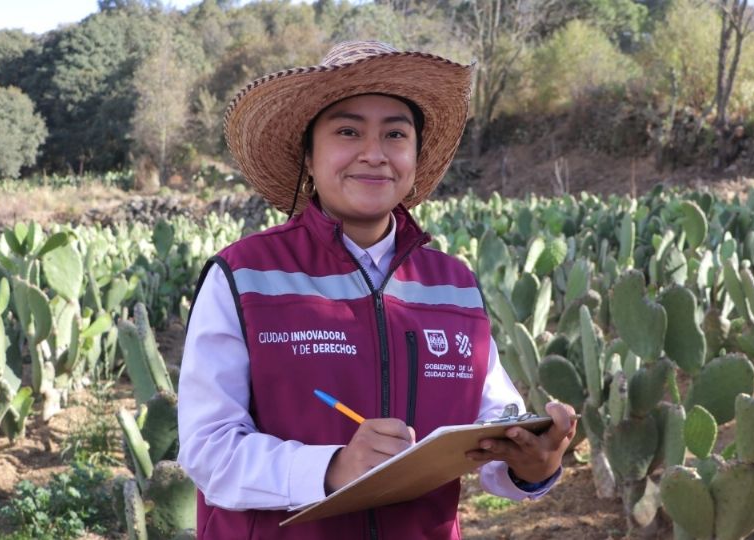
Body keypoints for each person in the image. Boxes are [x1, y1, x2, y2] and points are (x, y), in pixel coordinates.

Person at [177, 40, 576, 539]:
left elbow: (493, 426)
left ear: (414, 154)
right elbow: (207, 449)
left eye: (395, 134)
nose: (374, 154)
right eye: (348, 131)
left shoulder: (452, 284)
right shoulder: (243, 275)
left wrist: (532, 465)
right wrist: (333, 467)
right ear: (309, 151)